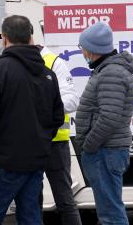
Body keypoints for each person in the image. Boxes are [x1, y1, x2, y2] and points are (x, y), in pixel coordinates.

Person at [0, 15, 64, 225]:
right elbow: (57, 117)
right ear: (31, 37)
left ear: (5, 38)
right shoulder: (47, 73)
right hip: (35, 160)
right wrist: (41, 142)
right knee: (31, 216)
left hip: (2, 161)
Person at [74, 22, 133, 225]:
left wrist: (89, 145)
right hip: (105, 150)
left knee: (110, 214)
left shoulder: (111, 73)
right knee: (108, 210)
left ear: (92, 48)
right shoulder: (107, 70)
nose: (82, 51)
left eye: (83, 47)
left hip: (104, 151)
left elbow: (109, 117)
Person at [40, 47, 81, 225]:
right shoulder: (15, 62)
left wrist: (42, 108)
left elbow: (72, 100)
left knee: (65, 199)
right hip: (29, 142)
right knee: (31, 200)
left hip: (55, 142)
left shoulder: (53, 62)